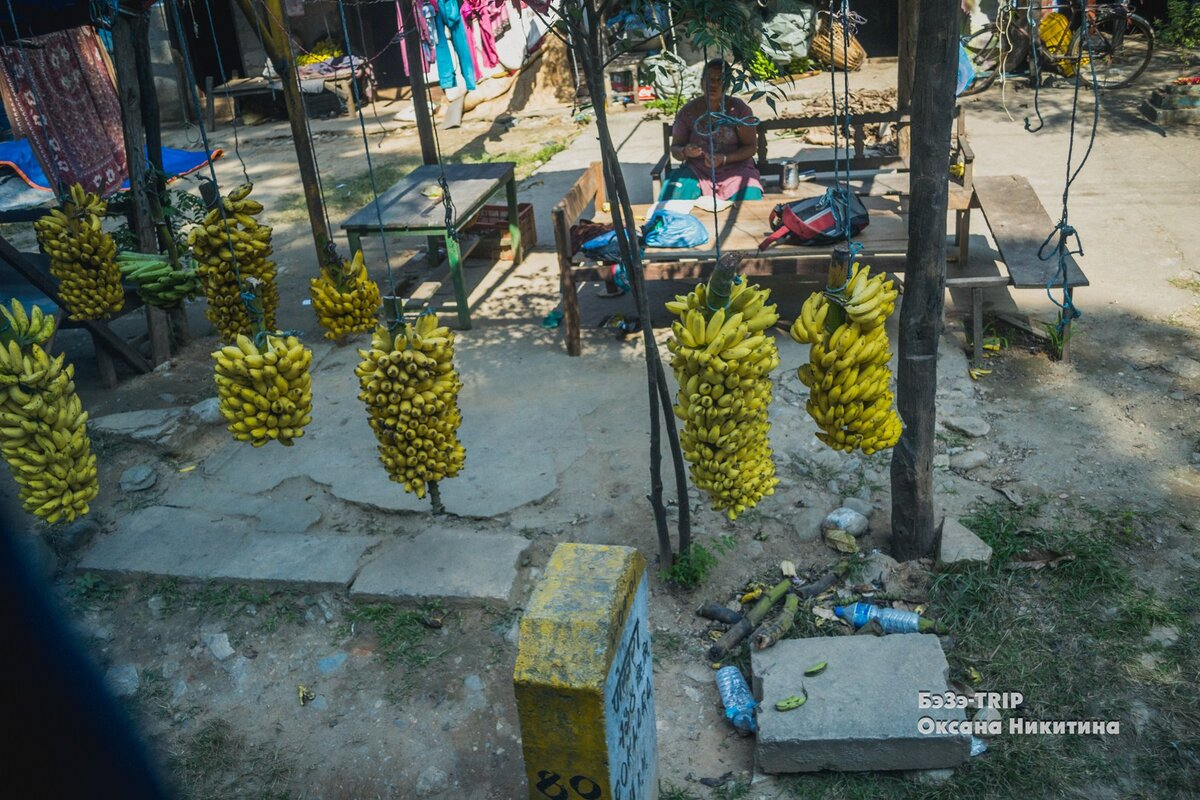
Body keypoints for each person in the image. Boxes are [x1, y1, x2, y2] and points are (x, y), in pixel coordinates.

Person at [660, 59, 763, 203]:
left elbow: (751, 147)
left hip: (736, 169)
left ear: (727, 84)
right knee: (672, 196)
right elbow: (676, 148)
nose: (713, 84)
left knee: (749, 199)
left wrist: (724, 159)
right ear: (702, 82)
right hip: (697, 170)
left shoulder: (739, 109)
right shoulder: (688, 111)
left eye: (720, 80)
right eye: (709, 79)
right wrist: (685, 151)